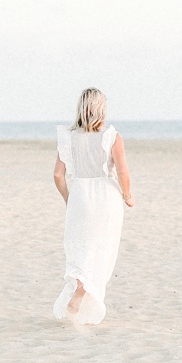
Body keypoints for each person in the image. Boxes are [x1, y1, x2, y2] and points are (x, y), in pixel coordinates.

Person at [52, 87, 133, 325]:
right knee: (102, 250)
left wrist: (69, 198)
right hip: (106, 199)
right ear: (101, 109)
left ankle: (79, 291)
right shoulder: (111, 136)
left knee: (82, 250)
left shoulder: (68, 137)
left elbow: (58, 175)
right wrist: (128, 196)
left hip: (80, 198)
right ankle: (81, 294)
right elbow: (122, 170)